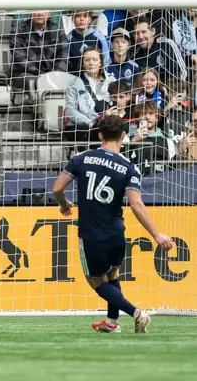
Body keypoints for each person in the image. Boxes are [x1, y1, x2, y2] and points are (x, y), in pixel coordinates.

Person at [52, 115, 174, 334]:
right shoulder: (129, 168)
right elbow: (136, 204)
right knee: (112, 275)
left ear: (99, 135)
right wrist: (156, 234)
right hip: (117, 233)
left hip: (91, 234)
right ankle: (111, 322)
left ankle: (137, 313)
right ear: (124, 136)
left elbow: (57, 189)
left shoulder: (81, 158)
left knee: (95, 281)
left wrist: (64, 204)